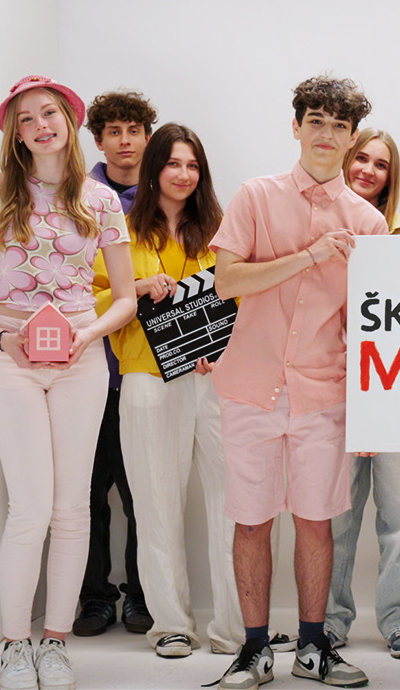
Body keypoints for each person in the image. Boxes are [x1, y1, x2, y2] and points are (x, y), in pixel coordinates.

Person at [0, 75, 139, 690]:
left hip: (80, 358)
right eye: (25, 118)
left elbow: (127, 299)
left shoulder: (100, 199)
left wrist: (87, 337)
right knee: (28, 508)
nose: (39, 126)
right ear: (15, 132)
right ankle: (15, 645)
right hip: (13, 360)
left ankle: (55, 642)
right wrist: (4, 339)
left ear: (69, 120)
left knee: (72, 508)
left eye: (49, 113)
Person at [204, 74, 385, 690]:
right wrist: (309, 256)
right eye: (317, 121)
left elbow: (373, 325)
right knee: (251, 521)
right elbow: (228, 281)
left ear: (353, 136)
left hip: (323, 392)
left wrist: (374, 410)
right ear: (297, 125)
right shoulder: (255, 196)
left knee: (317, 521)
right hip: (249, 386)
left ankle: (314, 648)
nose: (327, 134)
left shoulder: (368, 222)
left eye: (340, 125)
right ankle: (254, 650)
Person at [92, 123, 244, 659]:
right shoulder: (119, 229)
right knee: (156, 504)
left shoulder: (222, 229)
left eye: (193, 165)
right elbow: (89, 303)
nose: (183, 174)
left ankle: (235, 627)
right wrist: (135, 288)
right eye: (173, 163)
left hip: (215, 379)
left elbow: (241, 298)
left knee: (234, 504)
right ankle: (172, 624)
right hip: (147, 379)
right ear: (154, 169)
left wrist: (218, 346)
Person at [324, 127, 400, 660]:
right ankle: (327, 620)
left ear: (392, 177)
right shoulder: (315, 223)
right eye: (360, 158)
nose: (368, 169)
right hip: (332, 388)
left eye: (381, 164)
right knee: (334, 514)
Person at [75, 88, 157, 637]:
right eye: (115, 132)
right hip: (87, 373)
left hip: (147, 372)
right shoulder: (77, 198)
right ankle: (95, 597)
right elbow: (74, 284)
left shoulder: (167, 194)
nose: (126, 141)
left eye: (135, 130)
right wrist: (132, 291)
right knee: (87, 495)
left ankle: (141, 595)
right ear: (98, 140)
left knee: (141, 494)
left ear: (147, 136)